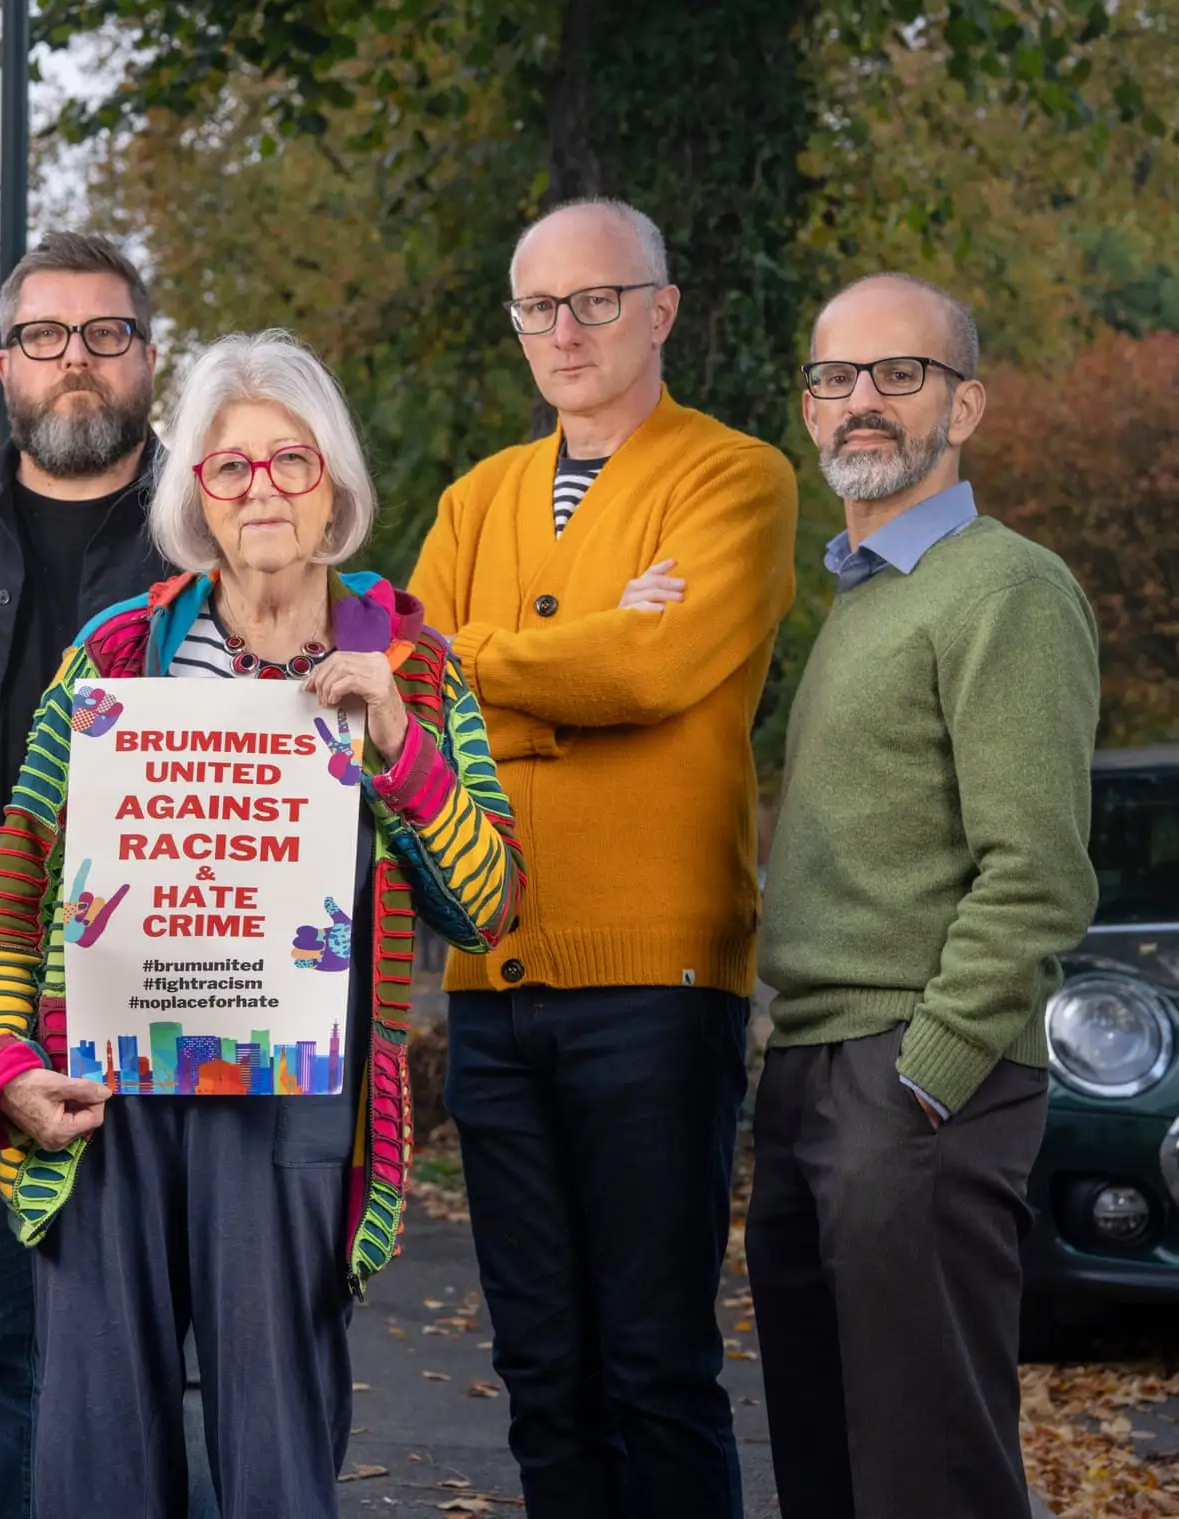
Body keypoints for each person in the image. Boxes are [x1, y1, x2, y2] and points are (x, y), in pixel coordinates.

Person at [0, 329, 525, 1519]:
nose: (260, 489)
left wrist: (395, 748)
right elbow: (15, 887)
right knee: (95, 1458)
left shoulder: (414, 668)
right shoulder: (114, 655)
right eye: (229, 468)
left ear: (334, 485)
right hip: (106, 1094)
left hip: (291, 1101)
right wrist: (5, 1065)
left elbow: (487, 904)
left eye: (290, 462)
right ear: (195, 497)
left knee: (276, 1453)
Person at [408, 198, 798, 1518]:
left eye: (596, 300)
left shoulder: (734, 476)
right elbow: (409, 699)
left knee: (653, 1361)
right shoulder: (477, 496)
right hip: (492, 970)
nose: (564, 331)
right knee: (541, 1365)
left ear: (662, 308)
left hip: (658, 972)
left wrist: (482, 662)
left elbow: (654, 664)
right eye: (539, 307)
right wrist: (532, 675)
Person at [750, 273, 1099, 1519]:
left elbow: (1038, 871)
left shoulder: (1003, 586)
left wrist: (928, 1067)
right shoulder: (865, 595)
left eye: (899, 375)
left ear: (966, 408)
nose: (860, 402)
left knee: (923, 1471)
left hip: (914, 1078)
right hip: (813, 1066)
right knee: (828, 1458)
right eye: (834, 376)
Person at [0, 230, 168, 1519]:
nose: (76, 362)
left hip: (173, 985)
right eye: (45, 337)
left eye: (104, 335)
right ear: (3, 362)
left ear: (146, 357)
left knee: (163, 1350)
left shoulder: (209, 524)